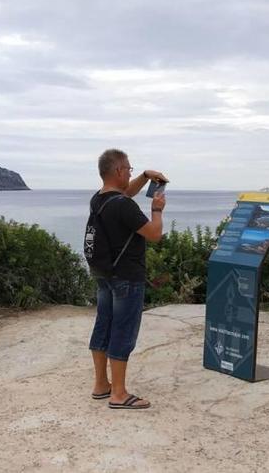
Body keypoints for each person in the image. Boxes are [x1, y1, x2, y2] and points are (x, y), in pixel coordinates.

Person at [87, 149, 167, 410]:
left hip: (104, 273)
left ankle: (102, 384)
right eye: (130, 169)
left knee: (104, 325)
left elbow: (125, 194)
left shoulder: (99, 199)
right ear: (119, 171)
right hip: (127, 277)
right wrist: (157, 210)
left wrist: (144, 176)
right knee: (123, 331)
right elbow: (154, 234)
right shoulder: (123, 205)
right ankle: (119, 394)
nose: (130, 173)